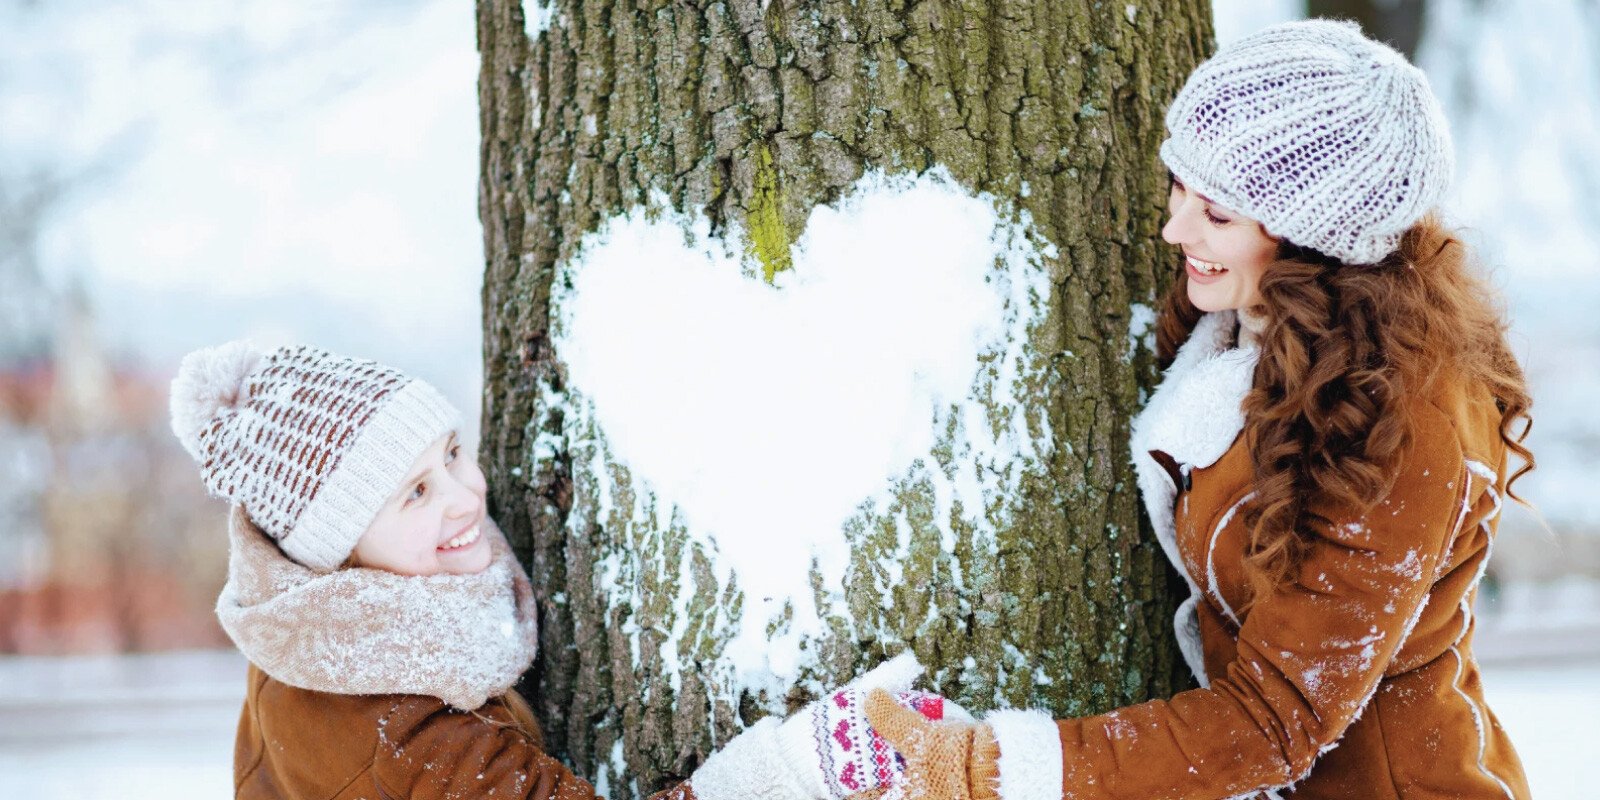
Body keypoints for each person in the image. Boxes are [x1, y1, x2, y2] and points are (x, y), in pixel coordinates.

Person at [863, 19, 1534, 800]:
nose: (1173, 228)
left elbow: (1278, 718)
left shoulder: (1401, 423)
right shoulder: (1248, 329)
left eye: (1217, 215)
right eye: (1179, 186)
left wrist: (990, 768)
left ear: (1312, 243)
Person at [169, 341, 949, 800]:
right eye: (414, 493)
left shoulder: (311, 633)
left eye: (450, 455)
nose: (467, 494)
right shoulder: (394, 731)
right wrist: (796, 767)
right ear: (333, 552)